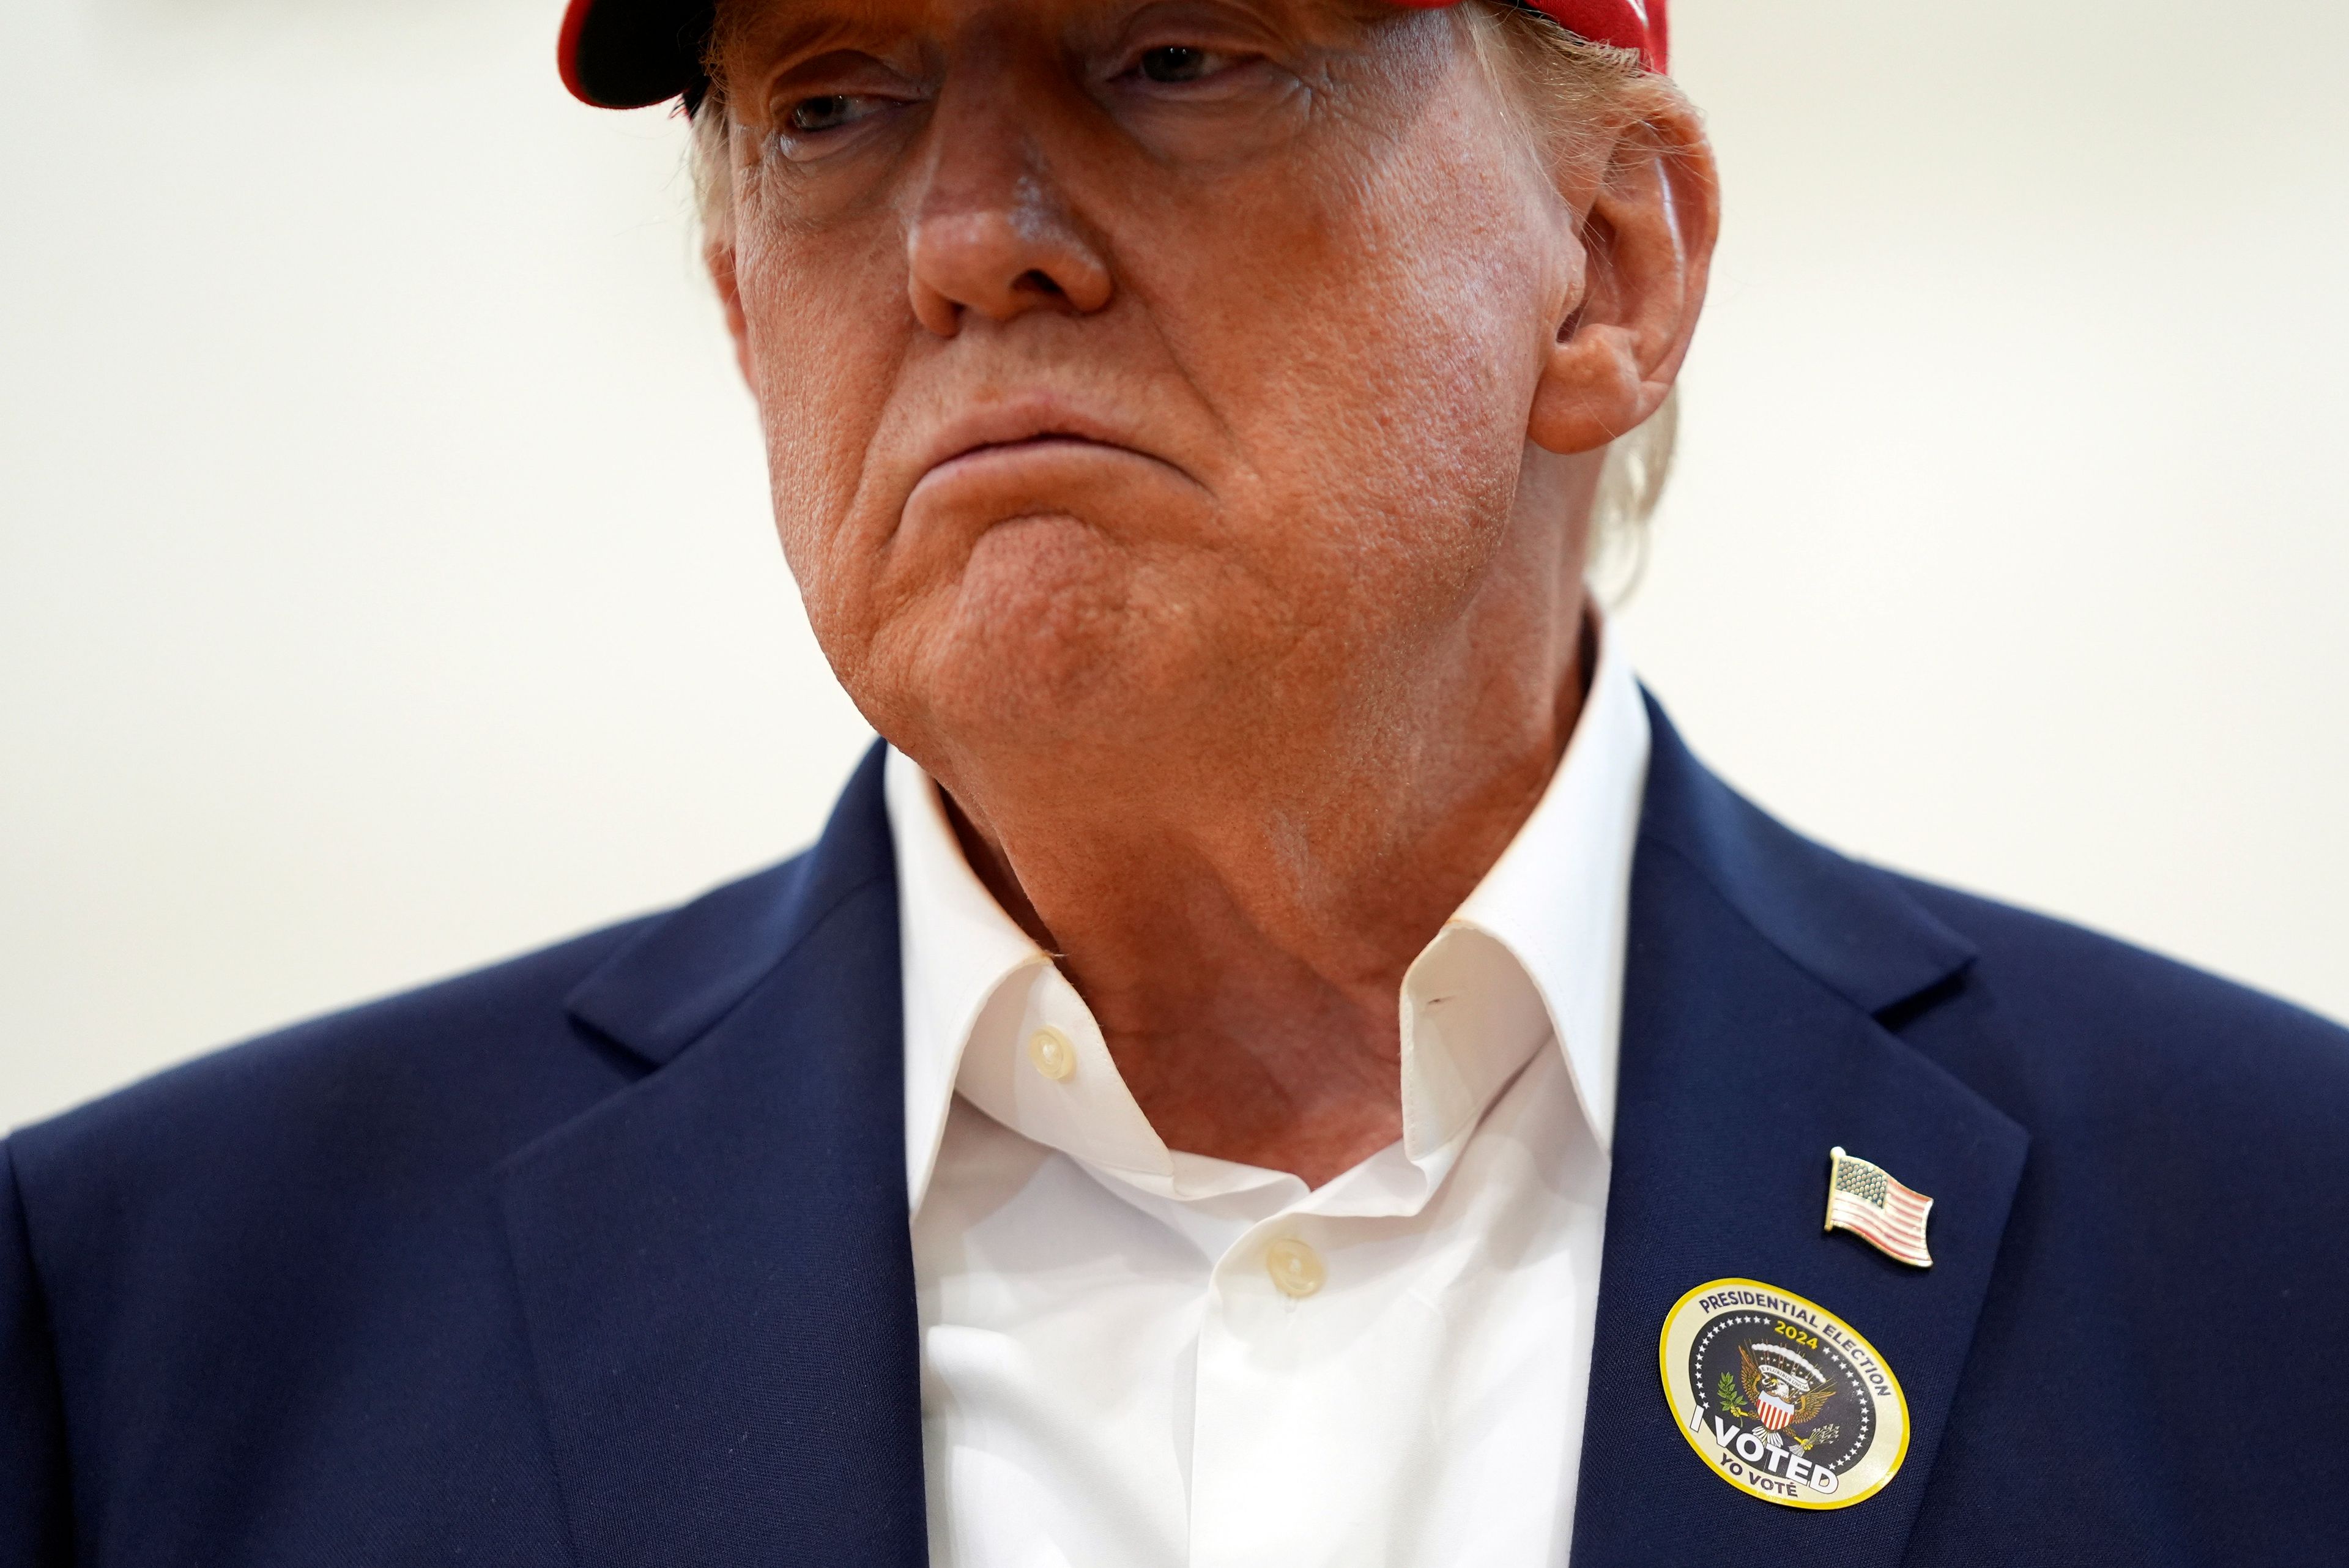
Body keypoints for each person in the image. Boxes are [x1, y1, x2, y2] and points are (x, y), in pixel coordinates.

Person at [4, 0, 2344, 1561]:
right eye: (831, 97)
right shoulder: (146, 1339)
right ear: (742, 314)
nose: (965, 240)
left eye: (1175, 48)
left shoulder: (2280, 1261)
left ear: (1609, 266)